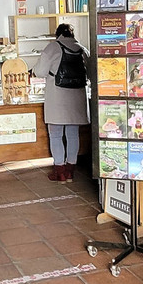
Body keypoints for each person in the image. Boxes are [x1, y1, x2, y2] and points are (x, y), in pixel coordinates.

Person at [33, 23, 89, 182]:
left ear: (58, 35)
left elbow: (40, 71)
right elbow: (91, 73)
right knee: (73, 135)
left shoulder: (52, 48)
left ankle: (60, 171)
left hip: (57, 98)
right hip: (77, 98)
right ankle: (71, 170)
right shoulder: (83, 50)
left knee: (56, 135)